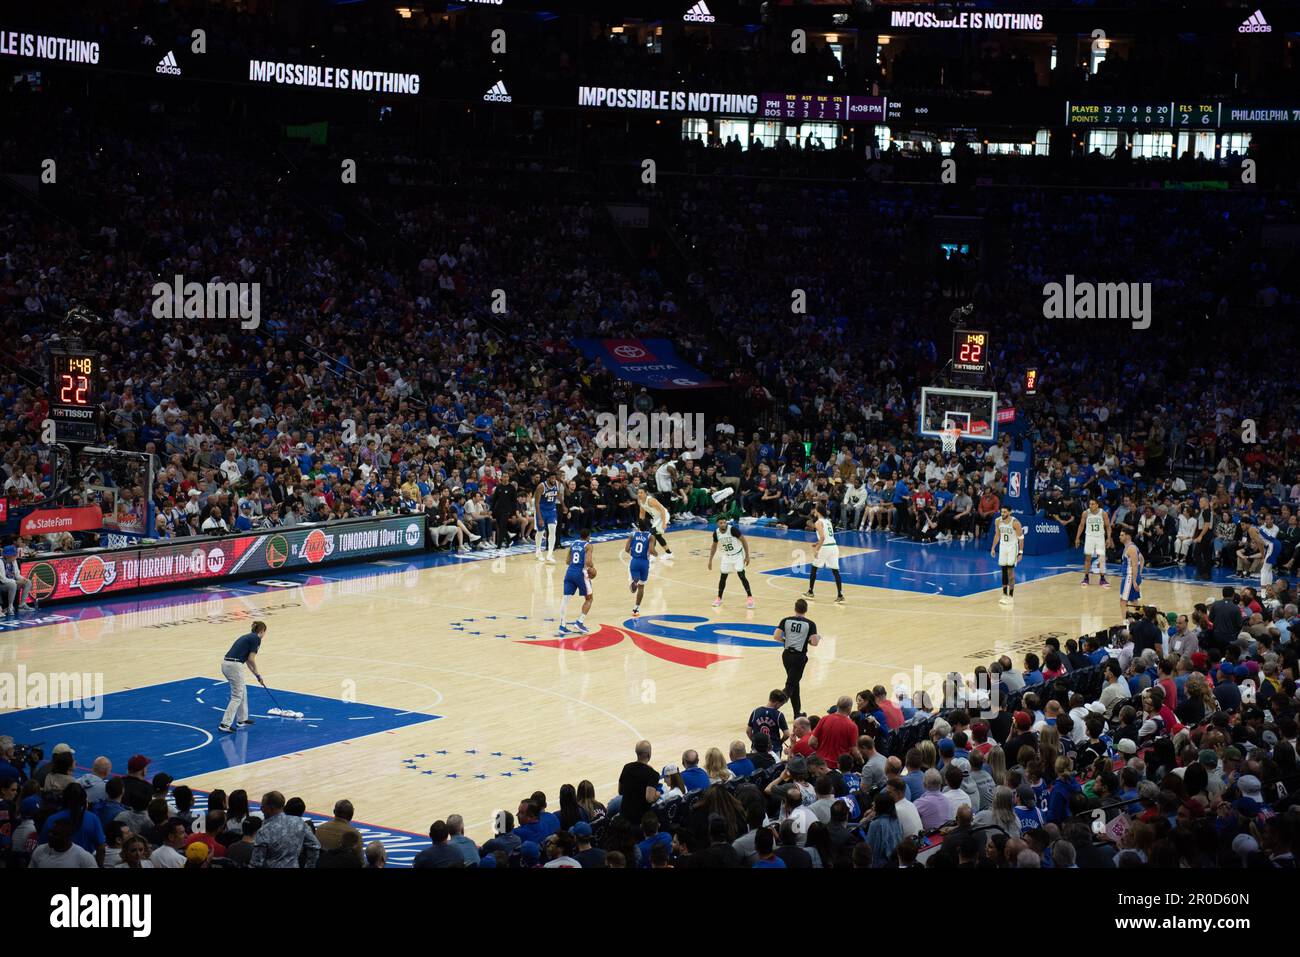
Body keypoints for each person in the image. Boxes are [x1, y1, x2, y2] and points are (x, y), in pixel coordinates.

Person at [774, 598, 820, 717]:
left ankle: (796, 713)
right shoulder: (810, 624)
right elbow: (814, 643)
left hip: (786, 655)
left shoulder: (786, 620)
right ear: (806, 610)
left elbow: (776, 636)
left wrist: (786, 641)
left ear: (795, 608)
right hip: (799, 657)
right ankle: (773, 706)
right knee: (790, 686)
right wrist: (813, 639)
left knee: (794, 683)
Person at [251, 790, 320, 868]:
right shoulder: (299, 822)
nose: (261, 809)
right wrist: (310, 866)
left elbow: (256, 863)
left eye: (263, 807)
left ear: (270, 809)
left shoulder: (264, 831)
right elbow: (315, 845)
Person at [220, 620, 266, 733]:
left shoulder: (248, 637)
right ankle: (225, 724)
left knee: (242, 691)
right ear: (262, 631)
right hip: (234, 666)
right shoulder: (256, 639)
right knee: (236, 696)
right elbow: (251, 659)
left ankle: (242, 719)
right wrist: (258, 674)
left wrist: (257, 675)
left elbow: (247, 662)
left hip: (228, 664)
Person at [708, 515, 754, 609]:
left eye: (724, 522)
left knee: (741, 575)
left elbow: (744, 540)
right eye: (721, 523)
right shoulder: (716, 533)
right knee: (723, 577)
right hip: (727, 556)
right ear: (717, 524)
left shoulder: (732, 530)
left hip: (738, 555)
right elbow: (714, 546)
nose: (723, 524)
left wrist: (747, 555)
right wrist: (710, 560)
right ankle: (719, 598)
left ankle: (750, 597)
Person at [557, 527, 596, 634]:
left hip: (569, 572)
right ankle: (579, 622)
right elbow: (588, 562)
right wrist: (592, 568)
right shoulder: (588, 545)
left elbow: (567, 561)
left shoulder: (573, 544)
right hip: (580, 574)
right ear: (588, 536)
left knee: (565, 600)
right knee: (589, 598)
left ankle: (562, 626)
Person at [805, 503, 844, 603]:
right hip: (834, 547)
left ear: (818, 511)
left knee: (814, 568)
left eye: (815, 509)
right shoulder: (828, 521)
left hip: (825, 548)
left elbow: (822, 537)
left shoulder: (818, 522)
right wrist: (817, 543)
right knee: (835, 571)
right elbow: (827, 536)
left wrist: (817, 549)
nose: (814, 511)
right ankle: (840, 595)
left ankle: (810, 592)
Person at [616, 740, 661, 825]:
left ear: (636, 752)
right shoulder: (653, 774)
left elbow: (620, 791)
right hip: (640, 819)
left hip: (625, 815)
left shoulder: (626, 767)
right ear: (649, 754)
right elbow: (649, 798)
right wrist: (657, 795)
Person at [1076, 498, 1113, 587]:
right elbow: (1081, 525)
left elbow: (1108, 527)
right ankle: (1086, 577)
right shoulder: (1085, 513)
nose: (1090, 505)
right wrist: (1077, 537)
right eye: (1090, 504)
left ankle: (1102, 579)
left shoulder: (1103, 513)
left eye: (1093, 504)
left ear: (1097, 505)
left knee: (1101, 559)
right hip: (1089, 537)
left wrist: (1108, 538)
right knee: (1087, 558)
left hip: (1100, 537)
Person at [991, 506, 1024, 605]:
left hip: (1012, 548)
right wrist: (993, 547)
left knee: (1010, 572)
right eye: (1001, 512)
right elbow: (997, 535)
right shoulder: (998, 521)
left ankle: (1011, 596)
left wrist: (1020, 553)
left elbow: (1021, 539)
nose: (1002, 514)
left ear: (1010, 512)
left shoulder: (1015, 523)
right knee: (1003, 571)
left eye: (1005, 512)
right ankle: (1004, 594)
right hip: (1003, 547)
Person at [625, 520, 656, 617]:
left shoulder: (632, 534)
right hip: (644, 563)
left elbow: (626, 549)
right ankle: (636, 609)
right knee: (641, 586)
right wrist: (656, 554)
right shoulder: (651, 536)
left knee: (633, 587)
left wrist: (634, 555)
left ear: (638, 527)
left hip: (635, 561)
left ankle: (634, 582)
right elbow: (651, 550)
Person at [534, 470, 564, 564]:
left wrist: (563, 505)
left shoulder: (557, 484)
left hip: (552, 511)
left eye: (554, 478)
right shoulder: (541, 486)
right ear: (547, 479)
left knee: (552, 531)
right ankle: (538, 551)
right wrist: (539, 517)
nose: (553, 480)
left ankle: (549, 554)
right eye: (551, 478)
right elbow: (536, 503)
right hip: (541, 511)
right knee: (540, 531)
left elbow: (558, 495)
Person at [636, 487, 673, 556]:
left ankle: (651, 554)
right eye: (638, 493)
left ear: (645, 493)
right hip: (656, 518)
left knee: (652, 534)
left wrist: (664, 523)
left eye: (641, 493)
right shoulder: (640, 502)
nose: (639, 494)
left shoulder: (650, 500)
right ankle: (669, 553)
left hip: (663, 515)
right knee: (658, 536)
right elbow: (642, 514)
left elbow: (662, 510)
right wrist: (640, 526)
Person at [1118, 529, 1145, 619]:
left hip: (1129, 578)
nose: (1120, 537)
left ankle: (1126, 623)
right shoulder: (1132, 546)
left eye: (1122, 535)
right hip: (1132, 577)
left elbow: (1134, 564)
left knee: (1123, 601)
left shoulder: (1131, 548)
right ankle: (1140, 620)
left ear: (1128, 536)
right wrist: (1138, 575)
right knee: (1134, 601)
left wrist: (1134, 580)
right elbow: (1142, 560)